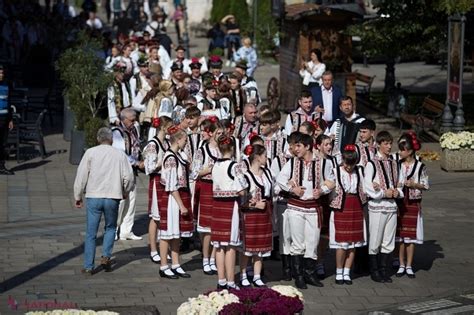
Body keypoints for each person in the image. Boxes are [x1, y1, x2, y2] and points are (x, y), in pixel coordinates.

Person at [74, 127, 135, 274]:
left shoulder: (90, 152)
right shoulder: (119, 155)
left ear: (98, 139)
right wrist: (125, 191)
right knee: (110, 227)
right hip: (113, 195)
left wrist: (78, 195)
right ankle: (106, 255)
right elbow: (129, 177)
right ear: (112, 140)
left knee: (91, 233)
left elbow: (81, 176)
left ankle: (89, 266)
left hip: (94, 195)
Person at [276, 133, 333, 289]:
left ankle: (309, 273)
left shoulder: (323, 163)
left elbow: (332, 181)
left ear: (308, 146)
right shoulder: (292, 163)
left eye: (298, 146)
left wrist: (321, 191)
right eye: (294, 146)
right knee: (297, 243)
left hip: (314, 208)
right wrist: (292, 189)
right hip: (295, 207)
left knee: (313, 242)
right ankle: (299, 275)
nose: (295, 149)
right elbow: (280, 179)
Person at [364, 131, 404, 283]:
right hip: (377, 206)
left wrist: (396, 192)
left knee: (388, 239)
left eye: (390, 143)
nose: (389, 146)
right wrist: (383, 192)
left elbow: (400, 183)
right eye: (386, 143)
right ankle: (374, 271)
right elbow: (367, 187)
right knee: (375, 239)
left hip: (391, 206)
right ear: (379, 145)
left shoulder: (394, 163)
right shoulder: (372, 163)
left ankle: (383, 269)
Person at [327, 144, 367, 285]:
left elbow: (365, 186)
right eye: (347, 163)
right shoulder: (335, 171)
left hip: (356, 205)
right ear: (342, 160)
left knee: (353, 243)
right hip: (341, 207)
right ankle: (339, 271)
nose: (349, 167)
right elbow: (327, 185)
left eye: (352, 164)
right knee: (342, 243)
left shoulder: (360, 171)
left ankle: (346, 272)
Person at [158, 126, 193, 279]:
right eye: (185, 139)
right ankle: (164, 265)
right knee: (167, 234)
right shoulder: (171, 158)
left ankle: (176, 263)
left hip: (179, 196)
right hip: (172, 199)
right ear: (178, 140)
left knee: (176, 234)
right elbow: (171, 185)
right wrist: (181, 205)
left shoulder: (179, 155)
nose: (186, 142)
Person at [191, 117, 224, 276]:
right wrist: (210, 169)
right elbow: (195, 172)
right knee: (206, 228)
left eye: (221, 132)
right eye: (217, 132)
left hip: (220, 188)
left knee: (216, 226)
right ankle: (205, 258)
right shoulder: (202, 150)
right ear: (211, 133)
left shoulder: (224, 149)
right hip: (206, 187)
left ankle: (212, 258)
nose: (220, 135)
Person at [212, 135, 245, 289]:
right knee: (231, 246)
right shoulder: (234, 166)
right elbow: (242, 189)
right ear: (232, 148)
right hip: (230, 206)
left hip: (216, 206)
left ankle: (221, 280)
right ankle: (231, 281)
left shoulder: (215, 165)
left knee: (219, 245)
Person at [239, 144, 274, 288]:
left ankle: (257, 275)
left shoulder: (267, 173)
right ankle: (242, 275)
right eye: (265, 155)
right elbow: (241, 202)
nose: (267, 158)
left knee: (260, 247)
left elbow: (273, 189)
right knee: (248, 248)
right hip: (251, 216)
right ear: (258, 157)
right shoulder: (245, 176)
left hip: (265, 214)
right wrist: (254, 205)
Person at [395, 133, 429, 279]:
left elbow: (426, 185)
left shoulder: (420, 166)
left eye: (402, 150)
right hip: (400, 203)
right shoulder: (398, 165)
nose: (400, 153)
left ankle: (409, 265)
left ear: (409, 151)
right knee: (400, 237)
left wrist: (414, 184)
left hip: (413, 203)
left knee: (410, 237)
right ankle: (401, 263)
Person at [143, 116, 172, 264]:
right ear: (163, 127)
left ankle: (162, 248)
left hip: (166, 181)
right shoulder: (153, 144)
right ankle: (153, 249)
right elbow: (149, 167)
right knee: (155, 217)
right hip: (156, 181)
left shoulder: (166, 142)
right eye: (169, 126)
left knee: (164, 215)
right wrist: (162, 163)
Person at [112, 108, 144, 241]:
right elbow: (120, 153)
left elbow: (137, 145)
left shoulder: (134, 129)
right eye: (132, 120)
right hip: (121, 170)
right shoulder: (117, 132)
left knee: (132, 200)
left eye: (135, 119)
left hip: (132, 170)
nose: (134, 122)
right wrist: (136, 162)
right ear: (124, 119)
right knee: (120, 201)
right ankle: (113, 229)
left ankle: (126, 230)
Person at [0, 65, 14, 175]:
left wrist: (10, 119)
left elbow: (9, 102)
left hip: (4, 118)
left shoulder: (6, 86)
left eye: (2, 73)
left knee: (3, 144)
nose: (1, 75)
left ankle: (1, 166)